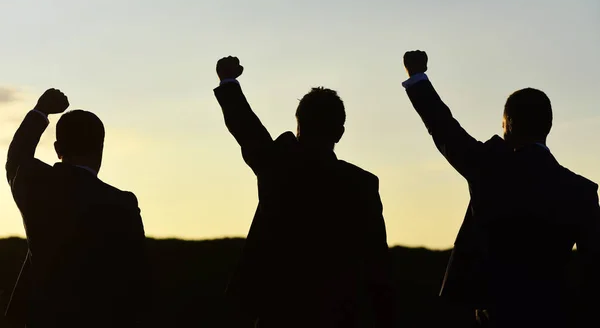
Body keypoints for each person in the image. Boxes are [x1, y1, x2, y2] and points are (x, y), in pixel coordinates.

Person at [401, 50, 600, 327]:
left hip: (494, 315)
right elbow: (594, 270)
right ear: (549, 126)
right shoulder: (582, 191)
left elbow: (444, 128)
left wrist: (417, 76)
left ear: (510, 123)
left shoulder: (489, 167)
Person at [214, 56, 393, 328]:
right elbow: (376, 261)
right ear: (340, 132)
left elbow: (246, 128)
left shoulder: (278, 165)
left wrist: (228, 81)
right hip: (339, 313)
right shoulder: (362, 184)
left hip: (279, 310)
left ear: (298, 125)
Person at [5, 89, 150, 327]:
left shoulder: (36, 183)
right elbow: (138, 277)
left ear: (57, 148)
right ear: (100, 148)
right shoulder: (121, 203)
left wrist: (41, 111)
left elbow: (16, 158)